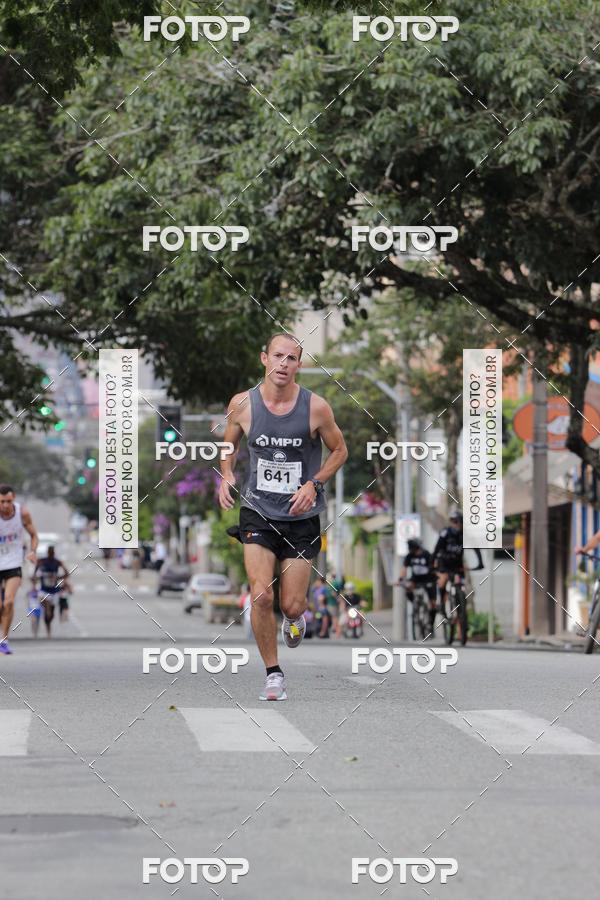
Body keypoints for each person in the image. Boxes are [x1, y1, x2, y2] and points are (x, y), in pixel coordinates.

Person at [219, 332, 348, 700]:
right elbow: (229, 443)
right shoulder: (242, 404)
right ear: (264, 358)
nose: (283, 364)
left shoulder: (316, 408)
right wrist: (226, 472)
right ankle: (273, 673)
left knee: (292, 603)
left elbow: (339, 450)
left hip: (300, 515)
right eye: (278, 356)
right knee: (260, 595)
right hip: (257, 510)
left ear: (299, 365)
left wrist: (314, 484)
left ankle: (294, 619)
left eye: (291, 359)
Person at [0, 484, 38, 654]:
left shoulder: (22, 513)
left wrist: (32, 551)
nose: (5, 505)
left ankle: (3, 641)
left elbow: (34, 535)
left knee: (8, 602)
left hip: (13, 562)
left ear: (13, 498)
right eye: (2, 502)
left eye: (8, 501)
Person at [433, 511, 483, 614]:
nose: (455, 524)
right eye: (453, 521)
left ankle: (461, 604)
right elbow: (437, 549)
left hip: (457, 563)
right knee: (443, 580)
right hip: (444, 562)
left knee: (461, 583)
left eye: (457, 521)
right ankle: (441, 603)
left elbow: (476, 548)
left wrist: (480, 563)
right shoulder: (446, 533)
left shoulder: (464, 535)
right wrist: (432, 563)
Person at [397, 538, 437, 630]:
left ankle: (431, 622)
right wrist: (401, 579)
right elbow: (404, 568)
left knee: (433, 603)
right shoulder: (409, 556)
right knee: (408, 587)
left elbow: (434, 566)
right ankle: (415, 603)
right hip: (416, 579)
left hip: (429, 579)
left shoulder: (426, 554)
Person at [34, 546, 69, 638]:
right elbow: (35, 573)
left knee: (51, 615)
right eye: (50, 552)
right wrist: (37, 577)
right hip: (44, 590)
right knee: (47, 608)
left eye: (52, 552)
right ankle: (48, 626)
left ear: (53, 553)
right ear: (48, 553)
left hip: (54, 591)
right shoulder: (42, 561)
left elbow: (67, 573)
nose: (51, 554)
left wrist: (58, 578)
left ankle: (48, 625)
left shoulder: (57, 562)